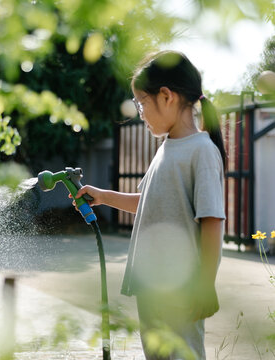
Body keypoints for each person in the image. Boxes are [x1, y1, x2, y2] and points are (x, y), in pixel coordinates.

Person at [74, 50, 226, 360]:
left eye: (142, 103)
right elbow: (149, 203)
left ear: (167, 96)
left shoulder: (201, 151)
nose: (140, 113)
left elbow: (212, 220)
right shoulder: (167, 148)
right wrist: (103, 196)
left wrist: (206, 284)